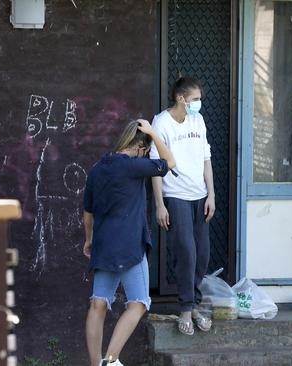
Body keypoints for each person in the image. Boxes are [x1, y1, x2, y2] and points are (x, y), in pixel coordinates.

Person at [83, 119, 176, 366]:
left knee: (98, 304)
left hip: (103, 245)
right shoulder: (134, 166)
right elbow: (170, 163)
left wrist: (89, 239)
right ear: (140, 148)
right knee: (138, 303)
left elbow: (88, 213)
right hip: (130, 246)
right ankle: (110, 360)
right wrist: (154, 134)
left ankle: (95, 364)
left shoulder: (97, 169)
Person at [150, 76, 215, 336]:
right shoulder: (161, 122)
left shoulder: (197, 120)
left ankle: (195, 305)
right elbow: (156, 166)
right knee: (185, 252)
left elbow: (206, 157)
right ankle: (186, 309)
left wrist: (211, 194)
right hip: (175, 196)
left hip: (200, 196)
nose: (198, 104)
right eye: (195, 99)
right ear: (181, 99)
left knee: (202, 254)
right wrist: (159, 205)